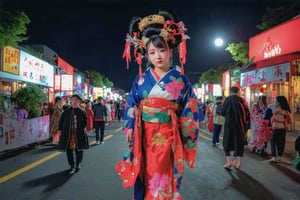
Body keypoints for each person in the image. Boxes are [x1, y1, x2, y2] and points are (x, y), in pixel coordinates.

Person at [115, 9, 200, 199]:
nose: (158, 56)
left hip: (168, 131)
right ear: (146, 54)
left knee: (163, 168)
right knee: (144, 167)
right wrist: (129, 126)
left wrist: (186, 134)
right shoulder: (141, 79)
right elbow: (132, 102)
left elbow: (189, 108)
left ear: (171, 50)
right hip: (144, 132)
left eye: (162, 50)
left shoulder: (180, 79)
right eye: (152, 52)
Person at [57, 94, 89, 174]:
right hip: (68, 135)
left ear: (79, 102)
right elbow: (61, 122)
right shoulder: (66, 112)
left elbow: (85, 122)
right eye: (72, 100)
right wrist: (60, 131)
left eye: (76, 100)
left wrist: (80, 130)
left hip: (79, 134)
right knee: (69, 150)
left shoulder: (82, 111)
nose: (74, 102)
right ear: (70, 101)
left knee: (79, 150)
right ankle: (72, 165)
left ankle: (78, 163)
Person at [221, 86, 250, 169]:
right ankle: (239, 163)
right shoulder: (242, 100)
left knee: (227, 142)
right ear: (238, 92)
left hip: (229, 125)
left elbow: (222, 112)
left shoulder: (227, 100)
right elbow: (247, 114)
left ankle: (229, 162)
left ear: (230, 92)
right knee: (239, 142)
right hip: (239, 126)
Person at [269, 96, 292, 163]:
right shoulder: (285, 110)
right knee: (281, 143)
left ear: (278, 102)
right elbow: (289, 120)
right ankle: (279, 157)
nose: (274, 101)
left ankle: (274, 157)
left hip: (275, 128)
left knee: (273, 142)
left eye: (275, 100)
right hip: (282, 129)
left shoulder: (274, 109)